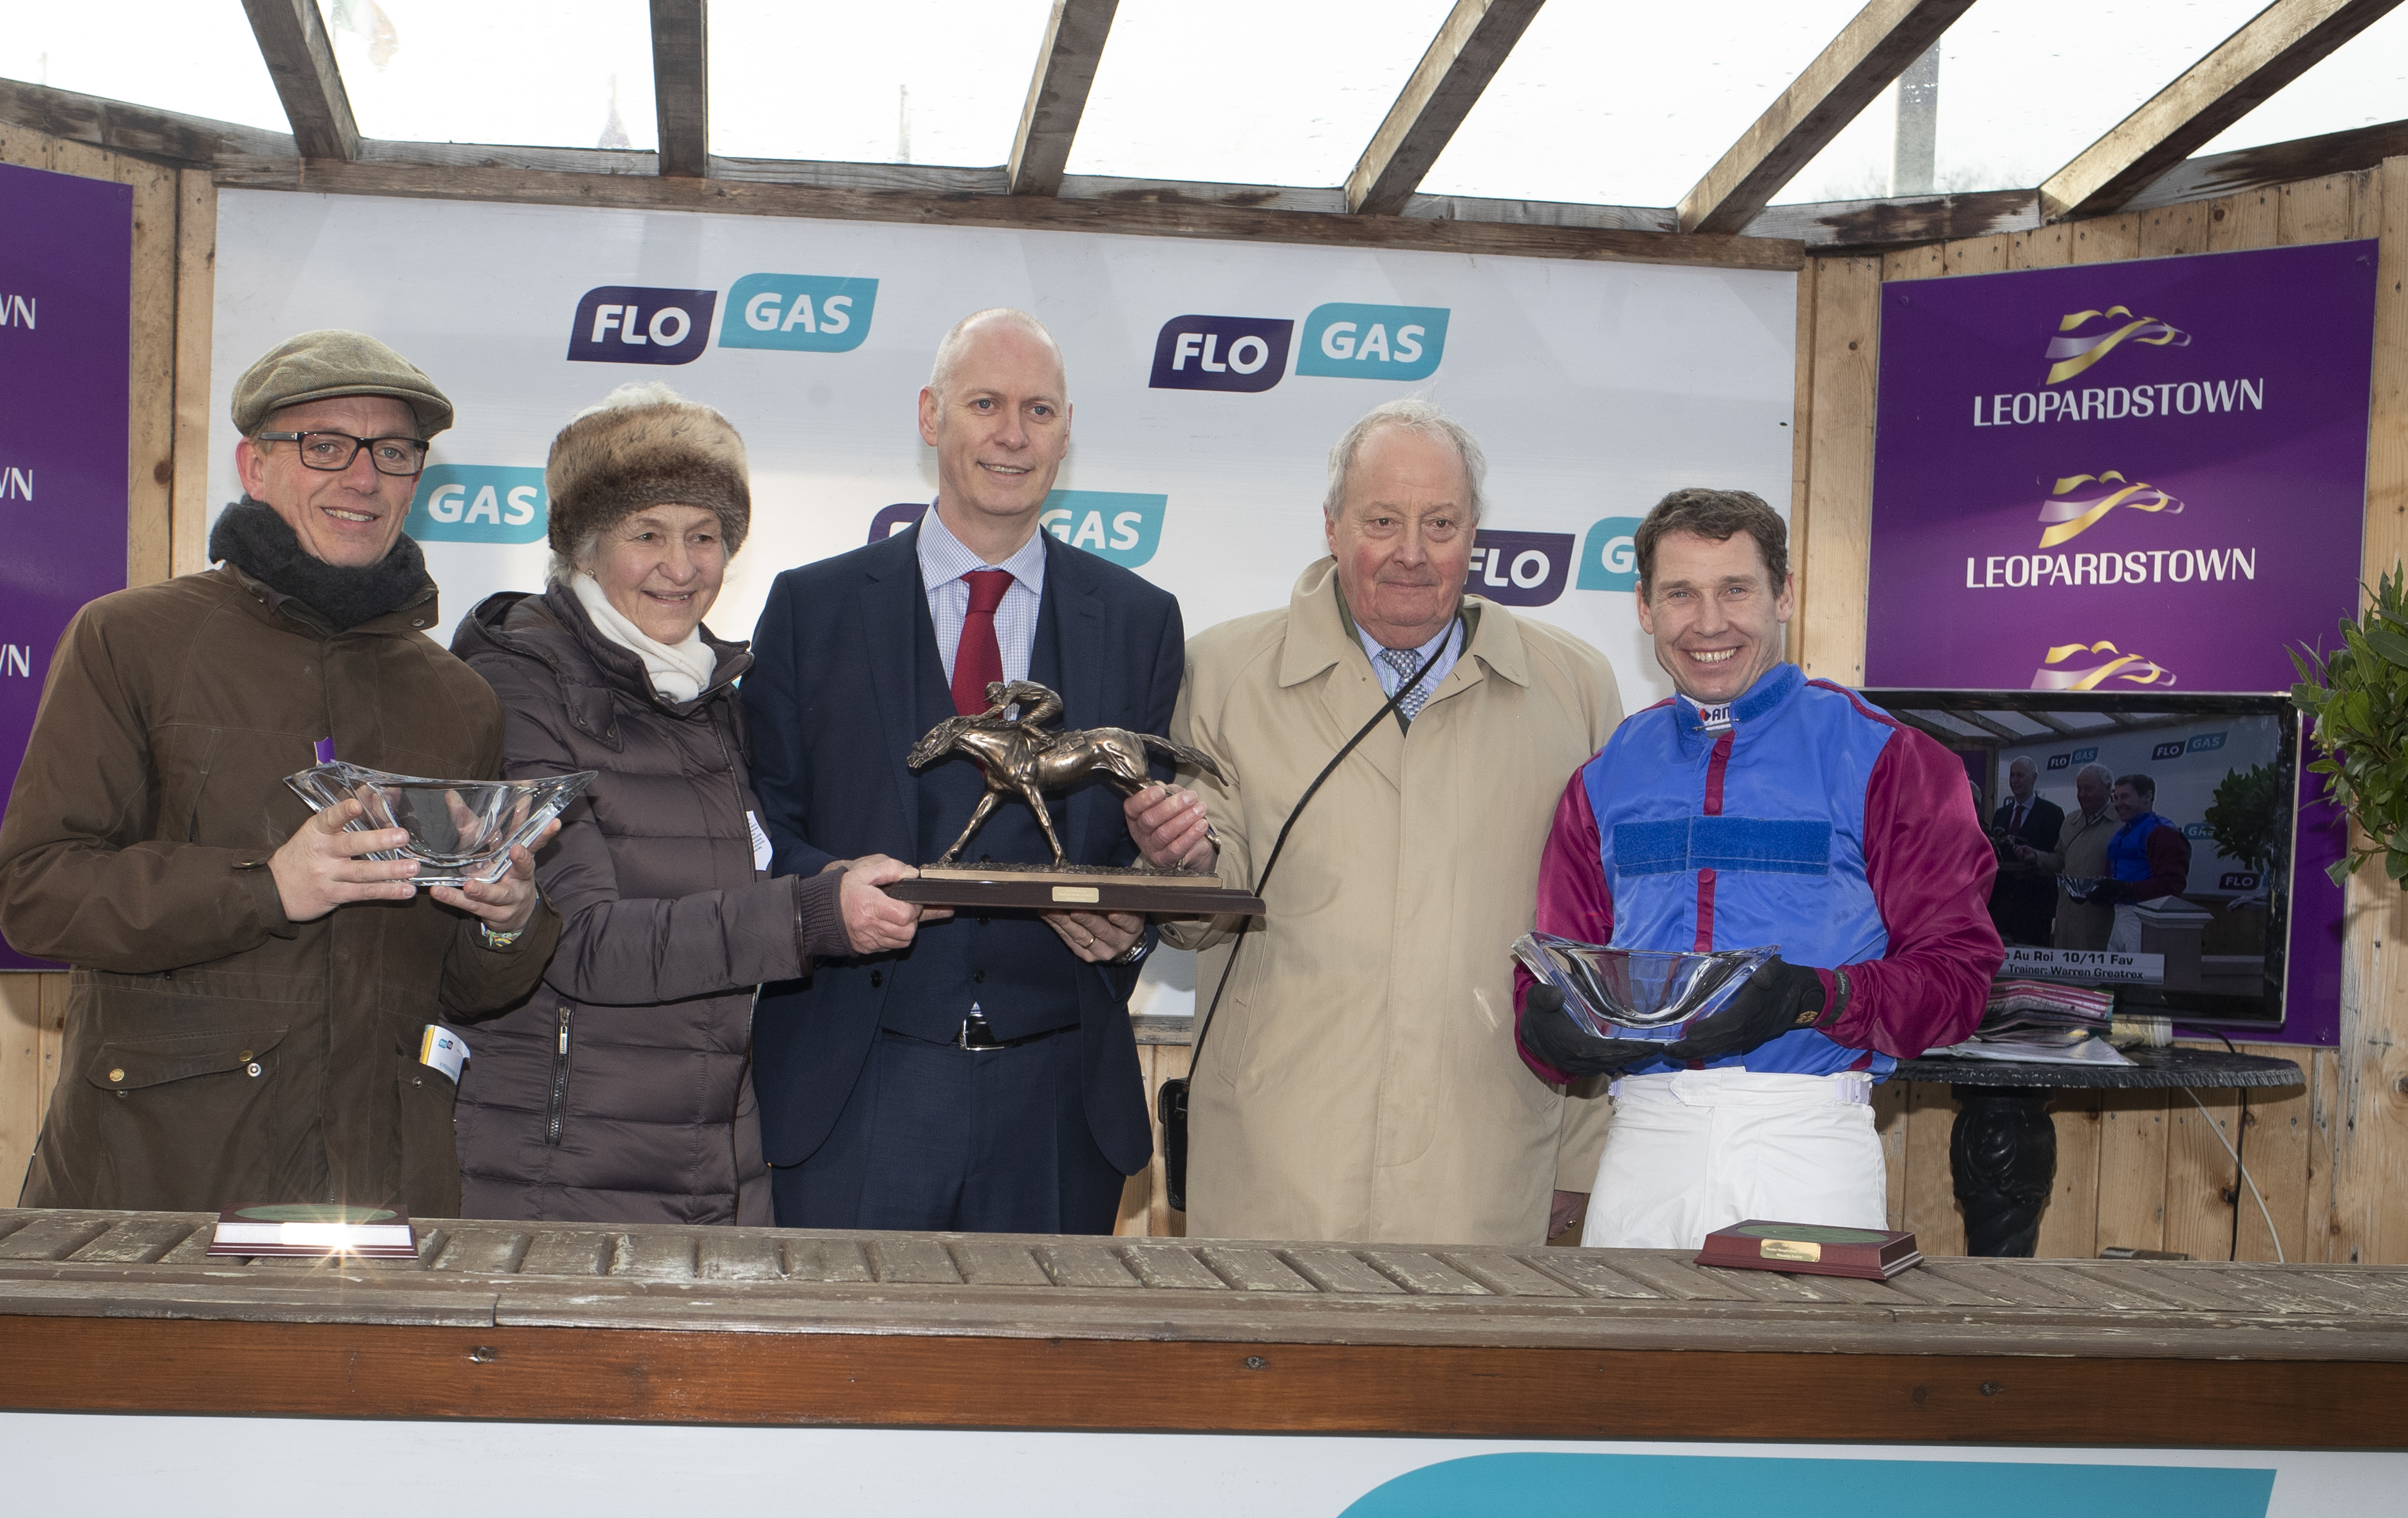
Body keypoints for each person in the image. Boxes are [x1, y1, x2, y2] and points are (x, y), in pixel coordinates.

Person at [0, 328, 553, 1214]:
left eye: (394, 452)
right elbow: (36, 892)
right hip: (160, 1184)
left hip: (380, 1192)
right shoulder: (129, 639)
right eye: (324, 445)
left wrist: (505, 922)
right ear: (255, 467)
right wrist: (266, 886)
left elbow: (457, 989)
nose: (362, 477)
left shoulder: (460, 698)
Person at [742, 308, 1187, 1233]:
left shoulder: (1139, 619)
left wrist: (1135, 922)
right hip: (853, 1089)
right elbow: (754, 831)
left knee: (1040, 1381)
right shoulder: (808, 608)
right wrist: (829, 894)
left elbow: (1143, 847)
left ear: (1067, 431)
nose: (1011, 435)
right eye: (984, 403)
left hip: (1058, 1104)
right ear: (928, 415)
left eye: (1038, 410)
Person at [448, 384, 920, 1225]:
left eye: (705, 535)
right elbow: (580, 942)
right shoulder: (518, 686)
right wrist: (812, 917)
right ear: (584, 549)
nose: (682, 566)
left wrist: (837, 880)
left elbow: (743, 884)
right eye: (647, 534)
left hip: (714, 1161)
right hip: (562, 1173)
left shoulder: (714, 694)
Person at [1157, 400, 1624, 1247]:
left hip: (1486, 1178)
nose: (1411, 552)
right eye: (1382, 520)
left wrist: (1578, 1165)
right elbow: (1193, 916)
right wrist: (1174, 862)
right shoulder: (1221, 673)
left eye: (1439, 523)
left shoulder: (1574, 690)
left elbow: (1598, 948)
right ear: (1331, 527)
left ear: (1474, 534)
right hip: (1274, 1169)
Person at [1520, 486, 2000, 1251]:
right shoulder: (1605, 775)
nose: (1709, 623)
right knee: (1630, 1374)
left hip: (1806, 1142)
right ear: (1644, 607)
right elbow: (1551, 967)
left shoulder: (1890, 758)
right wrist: (1545, 1025)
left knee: (1797, 1378)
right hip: (1644, 1142)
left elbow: (1959, 979)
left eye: (1735, 589)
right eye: (1680, 593)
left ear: (1784, 595)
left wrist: (1811, 997)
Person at [1987, 753, 2063, 945]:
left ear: (2034, 778)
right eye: (2012, 775)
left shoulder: (2052, 814)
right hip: (2002, 909)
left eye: (2020, 775)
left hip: (2035, 910)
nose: (2014, 780)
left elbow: (2058, 859)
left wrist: (2034, 857)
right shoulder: (2001, 814)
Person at [2089, 773, 2192, 914]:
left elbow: (2172, 885)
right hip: (2120, 913)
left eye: (2125, 797)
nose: (2118, 804)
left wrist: (2125, 890)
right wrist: (2097, 893)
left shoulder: (2161, 831)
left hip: (2148, 914)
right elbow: (2112, 880)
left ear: (2147, 797)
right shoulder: (2121, 834)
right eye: (2115, 798)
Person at [2048, 762, 2119, 950]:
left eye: (2089, 789)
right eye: (2080, 789)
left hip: (2100, 918)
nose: (2082, 794)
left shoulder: (2122, 824)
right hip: (2067, 916)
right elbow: (2059, 860)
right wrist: (2035, 856)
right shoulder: (2070, 821)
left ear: (2107, 788)